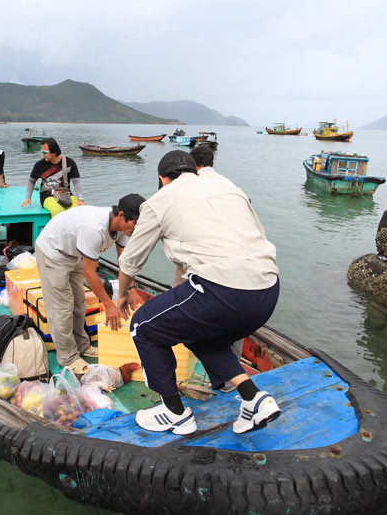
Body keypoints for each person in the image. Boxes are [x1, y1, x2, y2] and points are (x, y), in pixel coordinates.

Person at [113, 150, 281, 436]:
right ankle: (254, 398)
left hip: (222, 290)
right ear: (196, 170)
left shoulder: (160, 200)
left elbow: (131, 260)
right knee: (199, 334)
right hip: (268, 290)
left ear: (162, 179)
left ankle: (174, 412)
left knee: (142, 326)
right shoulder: (228, 187)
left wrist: (123, 293)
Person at [34, 194, 145, 374]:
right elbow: (90, 272)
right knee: (61, 307)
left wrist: (130, 290)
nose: (137, 228)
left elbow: (124, 262)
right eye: (135, 223)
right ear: (121, 215)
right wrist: (109, 305)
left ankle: (82, 346)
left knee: (79, 302)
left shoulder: (123, 229)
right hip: (53, 252)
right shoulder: (94, 228)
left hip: (75, 254)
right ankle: (68, 357)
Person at [20, 137, 84, 217]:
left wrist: (80, 199)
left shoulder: (69, 163)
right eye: (41, 152)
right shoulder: (39, 165)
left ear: (54, 152)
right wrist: (28, 197)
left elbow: (76, 182)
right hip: (47, 196)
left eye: (45, 152)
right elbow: (31, 181)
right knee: (57, 211)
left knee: (79, 210)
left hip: (65, 195)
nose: (42, 154)